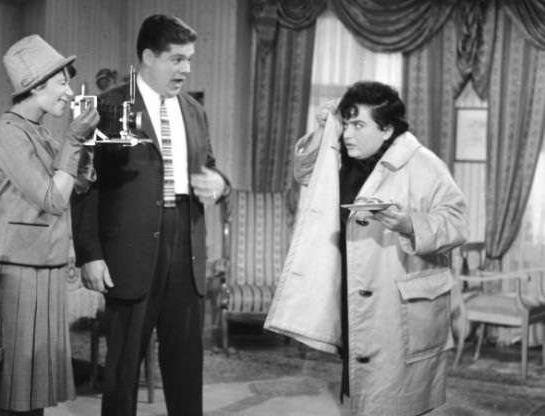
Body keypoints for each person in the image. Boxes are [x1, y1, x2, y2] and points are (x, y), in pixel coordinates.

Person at [265, 81, 469, 416]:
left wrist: (409, 223)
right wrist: (323, 128)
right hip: (355, 296)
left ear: (386, 129)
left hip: (398, 306)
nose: (347, 134)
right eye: (346, 123)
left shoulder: (423, 163)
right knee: (362, 393)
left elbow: (458, 222)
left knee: (397, 399)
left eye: (358, 125)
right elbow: (304, 172)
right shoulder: (345, 159)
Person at [71, 14, 230, 416]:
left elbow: (210, 166)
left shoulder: (195, 110)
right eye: (177, 59)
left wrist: (220, 183)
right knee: (122, 372)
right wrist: (90, 253)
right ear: (148, 57)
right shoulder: (107, 107)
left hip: (186, 247)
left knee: (185, 367)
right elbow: (85, 187)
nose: (186, 69)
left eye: (189, 59)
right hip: (129, 253)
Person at [0, 34, 99, 416]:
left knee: (32, 390)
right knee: (12, 389)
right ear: (34, 86)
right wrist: (74, 140)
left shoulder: (40, 131)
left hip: (45, 265)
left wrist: (83, 159)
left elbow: (67, 187)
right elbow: (52, 198)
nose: (69, 92)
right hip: (18, 269)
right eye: (62, 83)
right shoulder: (9, 133)